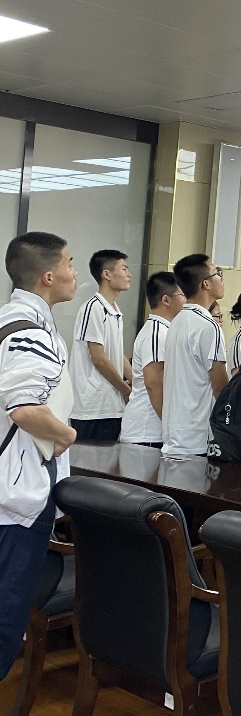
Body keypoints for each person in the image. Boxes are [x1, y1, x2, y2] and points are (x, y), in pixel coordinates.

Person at [0, 232, 77, 680]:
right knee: (5, 621)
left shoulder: (10, 320)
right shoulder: (29, 331)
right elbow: (25, 408)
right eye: (69, 263)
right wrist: (65, 433)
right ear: (48, 276)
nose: (74, 273)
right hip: (15, 501)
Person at [162, 254, 227, 456]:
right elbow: (220, 387)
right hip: (197, 438)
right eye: (217, 273)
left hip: (176, 434)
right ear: (205, 284)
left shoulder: (177, 321)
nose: (221, 279)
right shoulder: (209, 327)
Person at [68, 249, 133, 440]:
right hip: (92, 409)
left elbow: (116, 354)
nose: (129, 274)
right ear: (107, 274)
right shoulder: (94, 308)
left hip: (111, 405)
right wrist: (125, 389)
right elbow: (98, 358)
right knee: (90, 459)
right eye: (124, 269)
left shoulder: (114, 310)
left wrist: (137, 384)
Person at [120, 272, 186, 448]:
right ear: (166, 300)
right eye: (183, 295)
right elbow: (153, 383)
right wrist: (170, 426)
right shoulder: (157, 333)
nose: (187, 301)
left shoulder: (166, 330)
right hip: (146, 432)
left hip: (153, 432)